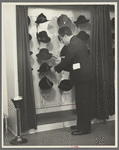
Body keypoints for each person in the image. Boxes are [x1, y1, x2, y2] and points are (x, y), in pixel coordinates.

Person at [51, 26, 93, 135]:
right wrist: (61, 60)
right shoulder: (76, 42)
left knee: (83, 104)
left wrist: (55, 69)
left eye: (61, 39)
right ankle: (81, 125)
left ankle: (85, 129)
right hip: (81, 78)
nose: (62, 41)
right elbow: (73, 60)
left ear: (65, 36)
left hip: (82, 78)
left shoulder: (73, 44)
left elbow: (67, 63)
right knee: (81, 104)